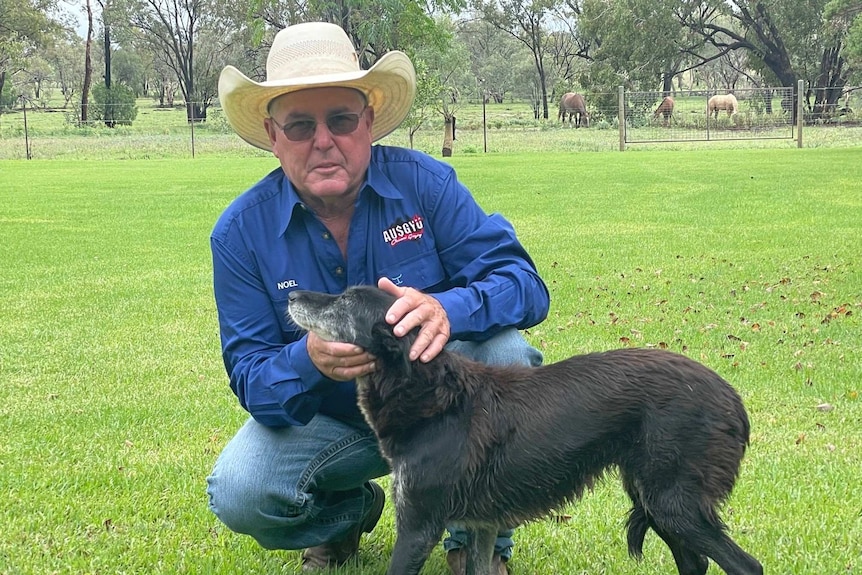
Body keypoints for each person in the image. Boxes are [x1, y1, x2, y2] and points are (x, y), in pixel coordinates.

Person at [206, 21, 550, 575]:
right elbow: (250, 377)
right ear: (273, 135)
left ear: (367, 121)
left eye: (341, 119)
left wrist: (447, 309)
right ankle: (347, 514)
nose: (323, 140)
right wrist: (309, 359)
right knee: (241, 490)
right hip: (339, 423)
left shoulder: (427, 186)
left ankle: (473, 536)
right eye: (299, 125)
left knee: (508, 355)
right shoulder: (239, 234)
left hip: (441, 411)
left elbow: (524, 285)